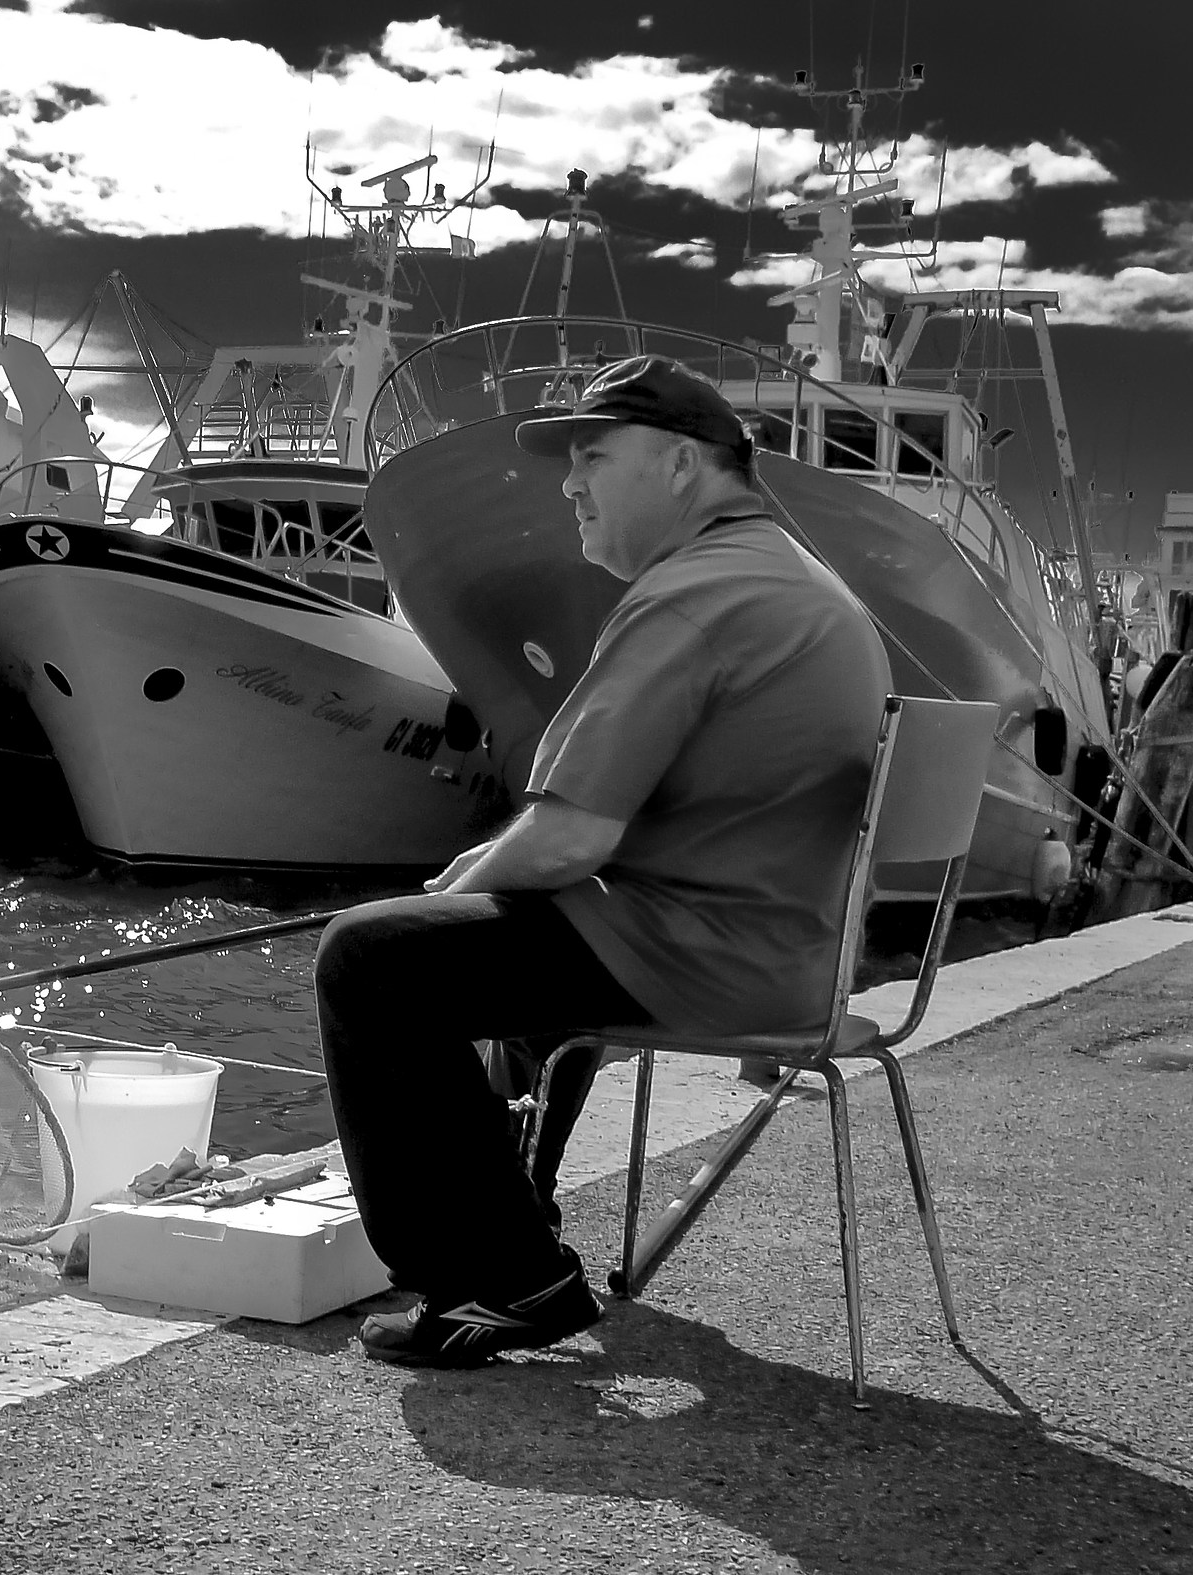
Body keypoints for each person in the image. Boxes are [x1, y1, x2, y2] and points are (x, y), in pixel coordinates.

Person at [318, 354, 892, 1368]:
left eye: (592, 457)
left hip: (700, 956)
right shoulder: (793, 578)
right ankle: (512, 1223)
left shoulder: (695, 595)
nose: (571, 484)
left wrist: (463, 879)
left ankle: (503, 1280)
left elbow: (574, 834)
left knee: (370, 960)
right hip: (780, 949)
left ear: (679, 464)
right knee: (512, 939)